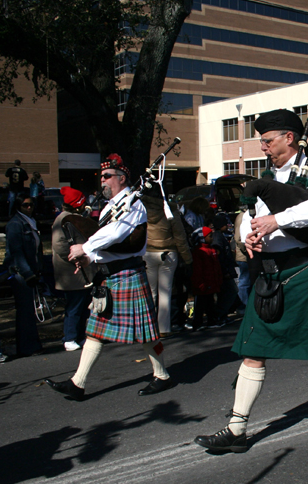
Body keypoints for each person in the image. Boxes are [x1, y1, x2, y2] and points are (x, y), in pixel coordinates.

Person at [194, 109, 308, 453]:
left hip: (305, 272)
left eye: (268, 141)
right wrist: (248, 236)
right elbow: (250, 216)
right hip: (270, 274)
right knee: (252, 352)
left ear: (289, 137)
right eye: (261, 141)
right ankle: (237, 428)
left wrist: (278, 221)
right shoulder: (268, 177)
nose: (264, 147)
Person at [44, 154, 171, 401]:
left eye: (106, 176)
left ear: (121, 179)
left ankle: (162, 375)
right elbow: (106, 238)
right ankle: (77, 383)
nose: (101, 180)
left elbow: (116, 233)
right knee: (94, 331)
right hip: (110, 275)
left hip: (128, 274)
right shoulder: (111, 206)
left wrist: (86, 248)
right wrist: (89, 257)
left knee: (146, 334)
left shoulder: (134, 204)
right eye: (100, 176)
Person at [143, 187, 193, 337]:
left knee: (150, 292)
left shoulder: (140, 208)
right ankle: (163, 328)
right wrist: (187, 258)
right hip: (169, 252)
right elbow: (179, 236)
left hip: (148, 251)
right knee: (165, 291)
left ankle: (148, 327)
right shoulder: (169, 209)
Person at [51, 187, 96, 351]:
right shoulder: (63, 220)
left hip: (80, 272)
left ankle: (79, 336)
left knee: (83, 305)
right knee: (74, 307)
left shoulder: (71, 218)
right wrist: (76, 258)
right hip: (72, 272)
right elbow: (60, 245)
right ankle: (69, 337)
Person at [3, 194, 44, 357]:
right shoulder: (15, 224)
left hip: (31, 270)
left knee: (30, 310)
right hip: (20, 272)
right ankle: (27, 347)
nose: (29, 208)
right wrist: (27, 273)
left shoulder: (30, 222)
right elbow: (16, 252)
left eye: (31, 205)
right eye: (25, 205)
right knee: (25, 310)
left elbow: (36, 249)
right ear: (18, 206)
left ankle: (32, 344)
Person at [189, 226, 222, 330]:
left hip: (211, 281)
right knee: (200, 304)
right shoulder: (199, 252)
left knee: (210, 303)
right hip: (203, 283)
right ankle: (197, 323)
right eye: (210, 236)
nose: (212, 238)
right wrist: (200, 283)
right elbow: (197, 270)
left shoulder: (211, 249)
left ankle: (211, 321)